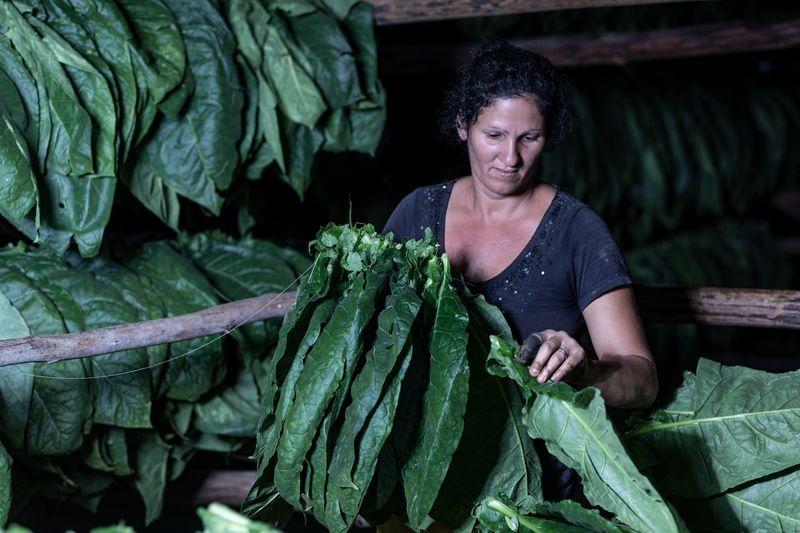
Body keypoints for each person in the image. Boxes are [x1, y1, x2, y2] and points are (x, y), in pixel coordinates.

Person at [382, 39, 658, 499]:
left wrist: (584, 371)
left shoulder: (577, 230)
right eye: (493, 135)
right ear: (462, 126)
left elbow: (643, 381)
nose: (510, 158)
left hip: (533, 495)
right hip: (420, 485)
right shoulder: (416, 213)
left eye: (529, 138)